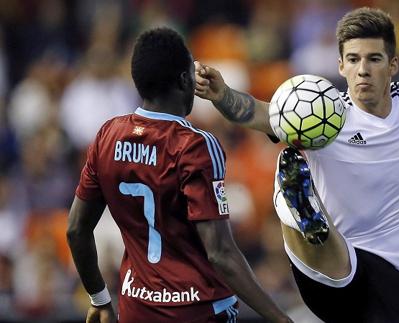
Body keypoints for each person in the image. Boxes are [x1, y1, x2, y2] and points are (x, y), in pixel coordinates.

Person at [194, 7, 399, 323]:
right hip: (332, 271)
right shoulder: (320, 117)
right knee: (332, 253)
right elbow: (256, 113)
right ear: (340, 65)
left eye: (374, 59)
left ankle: (303, 211)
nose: (362, 69)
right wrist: (222, 94)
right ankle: (297, 207)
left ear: (393, 64)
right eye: (353, 59)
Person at [66, 27, 292, 323]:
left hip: (136, 310)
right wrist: (280, 318)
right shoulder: (195, 145)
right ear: (185, 80)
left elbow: (76, 229)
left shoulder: (108, 135)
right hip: (199, 310)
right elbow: (220, 253)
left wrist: (99, 298)